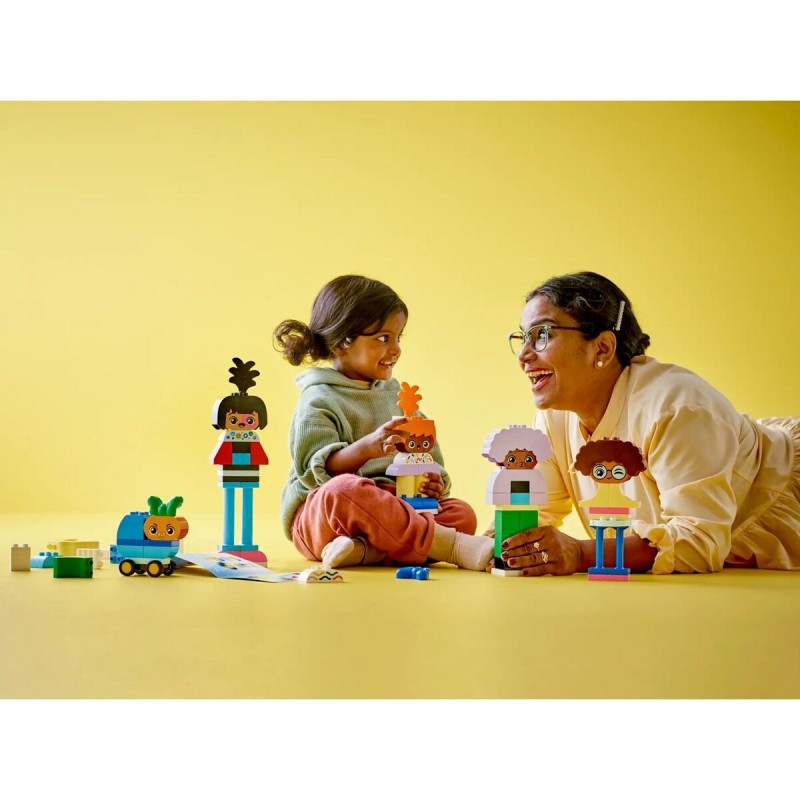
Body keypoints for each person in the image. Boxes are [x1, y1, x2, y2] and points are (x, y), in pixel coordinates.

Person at [498, 271, 800, 576]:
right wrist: (481, 547)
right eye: (522, 337)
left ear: (602, 348)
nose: (523, 355)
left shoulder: (677, 408)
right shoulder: (555, 417)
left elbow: (697, 542)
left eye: (542, 335)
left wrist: (580, 553)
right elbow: (532, 519)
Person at [273, 275, 493, 571]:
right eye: (382, 338)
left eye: (398, 337)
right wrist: (367, 448)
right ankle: (451, 546)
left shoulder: (399, 397)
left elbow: (428, 457)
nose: (396, 349)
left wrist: (433, 483)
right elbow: (315, 474)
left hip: (394, 511)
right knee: (342, 490)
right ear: (340, 343)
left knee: (461, 514)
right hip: (327, 518)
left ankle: (366, 551)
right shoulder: (319, 398)